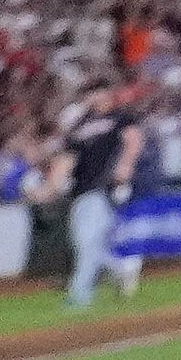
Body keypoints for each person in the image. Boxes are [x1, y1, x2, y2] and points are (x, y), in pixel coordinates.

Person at [60, 91, 142, 312]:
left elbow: (133, 140)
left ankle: (80, 295)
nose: (91, 98)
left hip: (103, 188)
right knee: (85, 245)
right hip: (79, 191)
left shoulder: (120, 117)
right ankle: (121, 270)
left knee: (87, 245)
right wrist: (49, 187)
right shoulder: (79, 125)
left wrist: (126, 166)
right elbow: (67, 159)